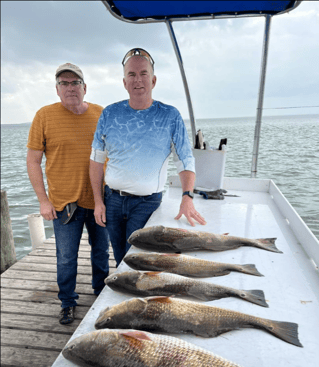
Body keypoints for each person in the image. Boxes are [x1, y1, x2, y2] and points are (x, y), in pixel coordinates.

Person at [89, 48, 206, 266]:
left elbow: (185, 159)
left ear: (153, 80)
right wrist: (98, 201)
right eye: (131, 75)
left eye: (143, 74)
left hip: (146, 203)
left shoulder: (170, 115)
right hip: (112, 200)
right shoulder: (109, 114)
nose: (138, 80)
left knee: (138, 259)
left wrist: (187, 197)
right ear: (124, 82)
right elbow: (96, 160)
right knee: (119, 258)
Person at [27, 63, 109, 325]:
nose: (70, 87)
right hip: (64, 204)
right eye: (64, 83)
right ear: (57, 89)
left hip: (100, 200)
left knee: (101, 252)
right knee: (66, 257)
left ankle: (101, 294)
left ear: (85, 87)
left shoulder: (101, 113)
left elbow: (119, 153)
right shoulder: (44, 116)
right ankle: (67, 302)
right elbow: (32, 161)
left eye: (75, 83)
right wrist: (43, 200)